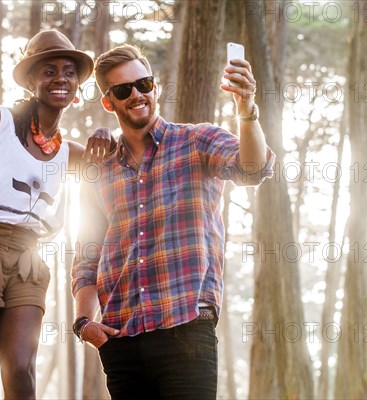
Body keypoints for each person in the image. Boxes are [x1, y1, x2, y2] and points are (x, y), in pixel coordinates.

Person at [71, 44, 275, 399]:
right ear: (109, 102)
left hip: (186, 329)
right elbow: (87, 257)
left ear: (154, 86)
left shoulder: (198, 140)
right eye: (123, 90)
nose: (137, 95)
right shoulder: (100, 171)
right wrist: (85, 324)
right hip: (122, 340)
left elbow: (253, 169)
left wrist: (247, 110)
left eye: (144, 84)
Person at [0, 30, 113, 399]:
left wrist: (105, 135)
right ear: (32, 80)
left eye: (68, 72)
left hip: (29, 260)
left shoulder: (69, 153)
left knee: (20, 370)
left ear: (77, 85)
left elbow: (113, 164)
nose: (60, 78)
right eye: (48, 71)